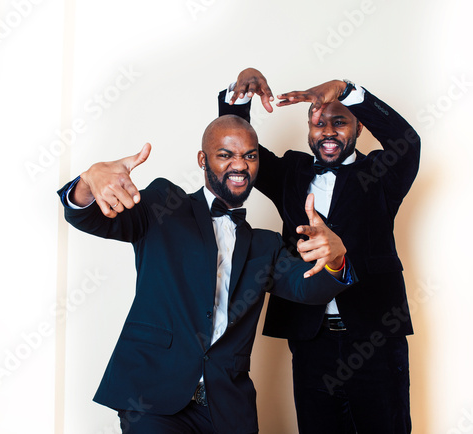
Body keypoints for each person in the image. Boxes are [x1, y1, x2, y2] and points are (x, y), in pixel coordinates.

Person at [57, 114, 356, 434]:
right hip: (153, 401)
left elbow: (307, 288)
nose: (240, 165)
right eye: (226, 154)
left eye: (249, 156)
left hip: (227, 410)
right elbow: (91, 217)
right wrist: (89, 181)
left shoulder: (264, 244)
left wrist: (336, 258)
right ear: (203, 159)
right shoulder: (163, 204)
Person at [219, 68, 420, 434]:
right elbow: (235, 150)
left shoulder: (381, 173)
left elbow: (407, 141)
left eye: (339, 122)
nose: (327, 132)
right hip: (311, 339)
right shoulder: (290, 173)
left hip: (375, 334)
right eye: (318, 123)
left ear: (359, 128)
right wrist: (241, 95)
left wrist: (347, 89)